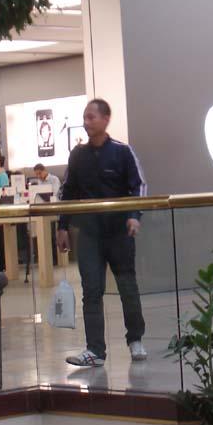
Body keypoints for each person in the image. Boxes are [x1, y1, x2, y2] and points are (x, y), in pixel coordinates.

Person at [57, 99, 148, 367]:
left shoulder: (122, 152)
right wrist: (62, 226)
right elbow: (68, 192)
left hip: (119, 233)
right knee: (91, 290)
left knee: (127, 287)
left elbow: (139, 186)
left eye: (91, 117)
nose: (87, 123)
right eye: (85, 118)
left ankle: (135, 339)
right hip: (89, 234)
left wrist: (134, 216)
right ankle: (95, 350)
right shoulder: (77, 155)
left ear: (106, 119)